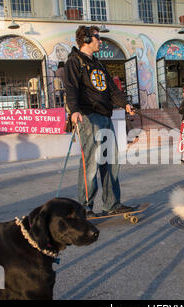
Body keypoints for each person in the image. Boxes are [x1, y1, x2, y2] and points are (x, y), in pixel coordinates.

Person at [64, 25, 135, 217]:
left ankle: (112, 204)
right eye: (97, 37)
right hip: (88, 116)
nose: (100, 41)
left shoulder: (99, 64)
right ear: (86, 39)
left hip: (105, 116)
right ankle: (85, 209)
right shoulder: (74, 62)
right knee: (91, 163)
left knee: (111, 161)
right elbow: (70, 88)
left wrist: (125, 104)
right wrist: (74, 111)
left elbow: (111, 90)